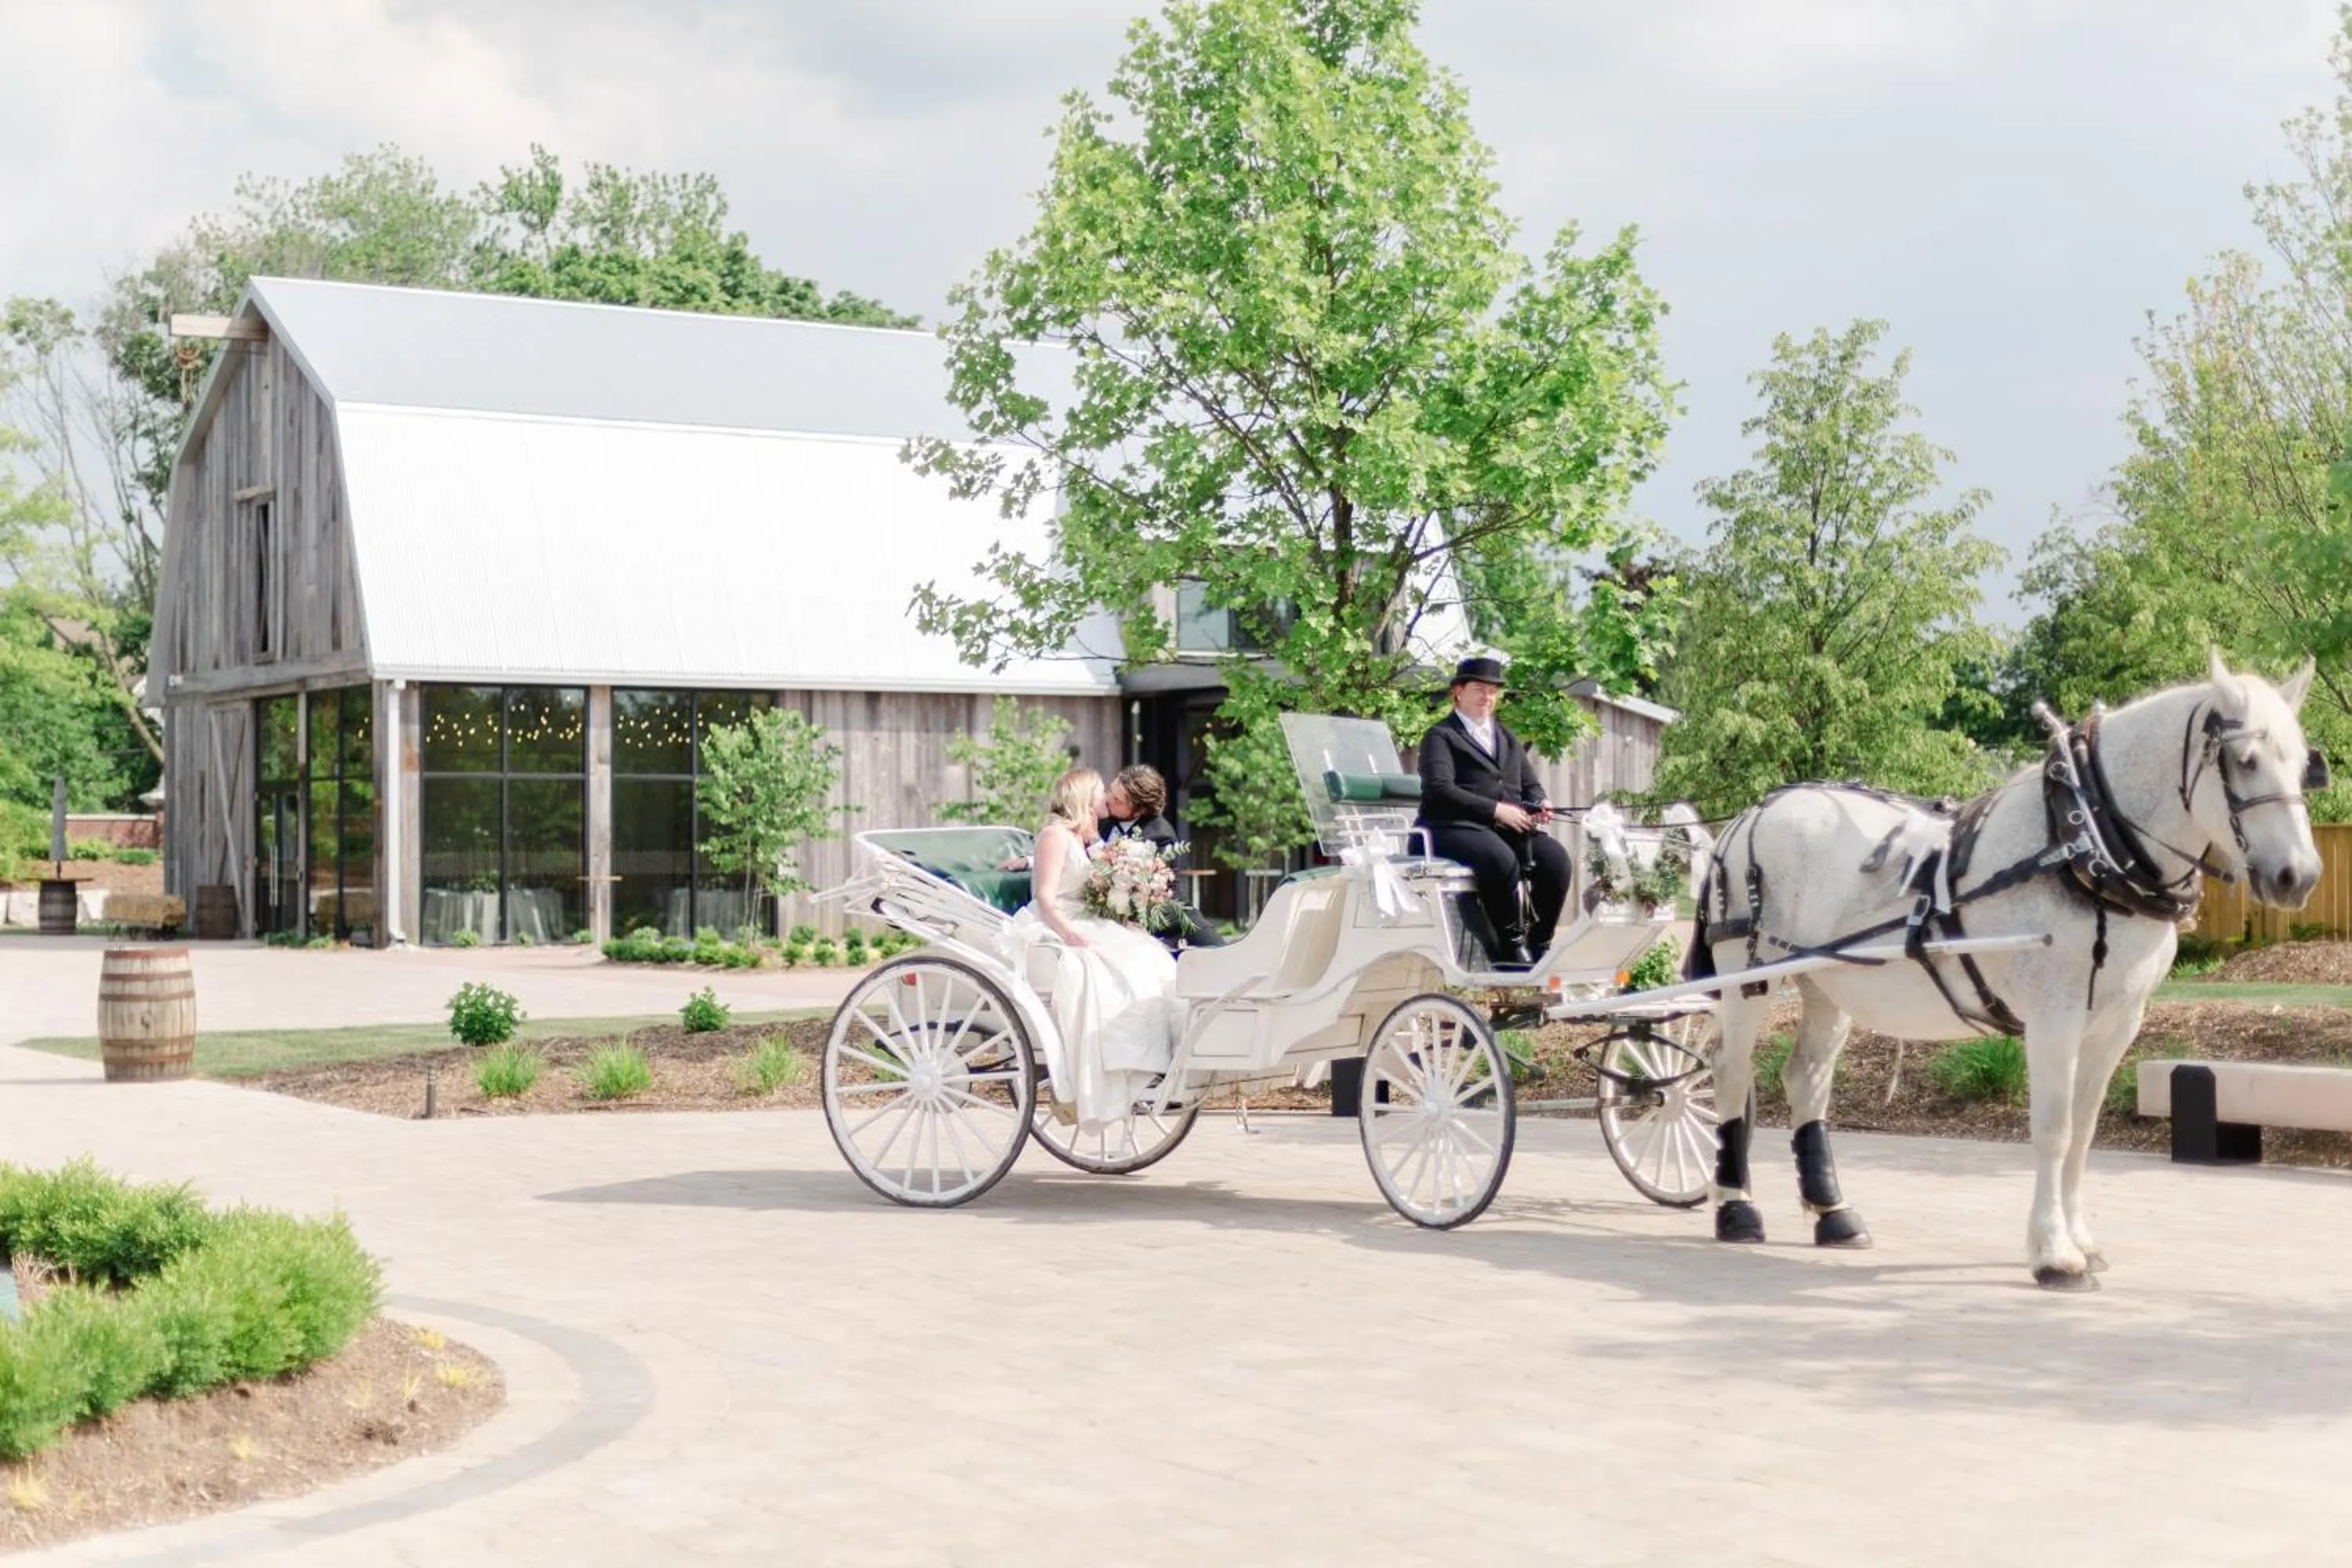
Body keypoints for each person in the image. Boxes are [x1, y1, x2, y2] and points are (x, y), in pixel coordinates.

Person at [996, 768, 1181, 1131]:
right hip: (1059, 921)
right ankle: (1116, 1060)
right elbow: (1046, 897)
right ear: (1084, 798)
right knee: (1113, 966)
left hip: (1087, 919)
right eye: (1101, 792)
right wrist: (1067, 933)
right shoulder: (1054, 835)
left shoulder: (1089, 837)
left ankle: (1142, 1058)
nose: (1106, 799)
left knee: (1151, 958)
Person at [1416, 655, 1570, 969]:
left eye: (1492, 691)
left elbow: (1530, 785)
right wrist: (1497, 810)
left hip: (1500, 829)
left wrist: (1540, 802)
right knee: (1501, 860)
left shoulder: (1506, 737)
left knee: (1556, 860)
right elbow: (1441, 789)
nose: (1487, 697)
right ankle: (1509, 949)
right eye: (1479, 689)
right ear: (1458, 692)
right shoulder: (1440, 737)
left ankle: (1539, 945)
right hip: (1448, 828)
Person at [1099, 764, 1227, 949]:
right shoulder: (1102, 821)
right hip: (1113, 918)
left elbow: (1144, 890)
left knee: (1218, 954)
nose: (1108, 799)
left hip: (1167, 919)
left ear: (1139, 810)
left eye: (1117, 799)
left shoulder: (1160, 834)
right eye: (1110, 790)